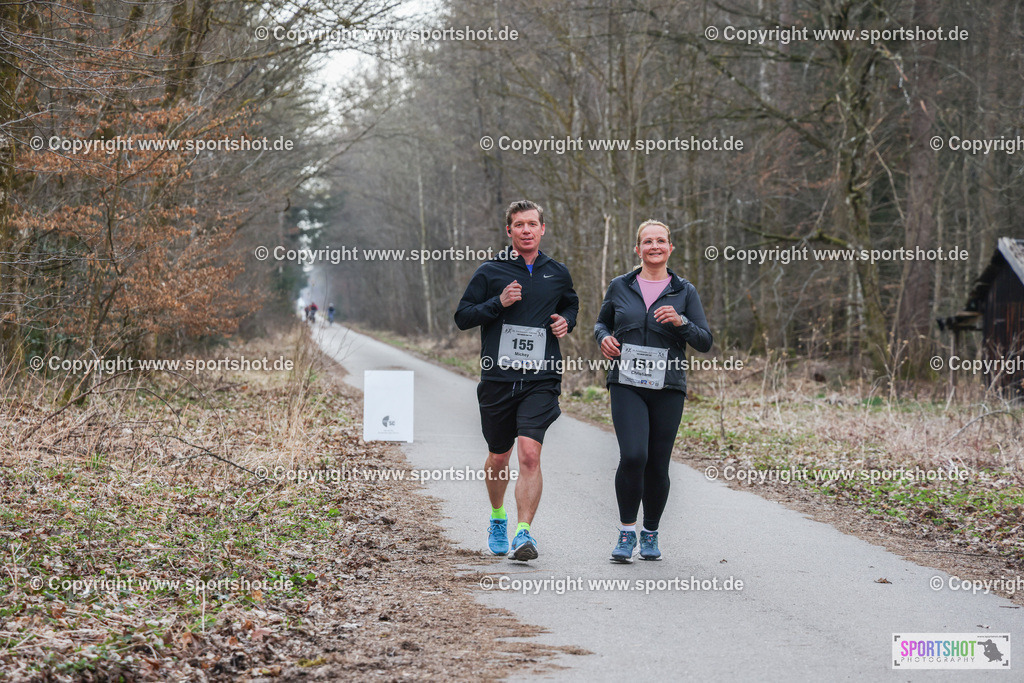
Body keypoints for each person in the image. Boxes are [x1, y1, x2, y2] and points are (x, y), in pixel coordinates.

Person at [455, 200, 579, 561]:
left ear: (542, 229)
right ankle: (498, 517)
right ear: (508, 231)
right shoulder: (490, 271)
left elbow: (571, 305)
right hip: (497, 377)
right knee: (499, 456)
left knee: (529, 454)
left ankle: (524, 533)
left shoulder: (558, 272)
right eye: (519, 225)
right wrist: (498, 302)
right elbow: (463, 316)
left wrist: (566, 322)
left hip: (541, 378)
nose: (526, 230)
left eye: (532, 224)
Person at [594, 220, 712, 563]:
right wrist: (603, 338)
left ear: (670, 248)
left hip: (668, 386)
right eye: (648, 241)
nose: (654, 246)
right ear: (638, 249)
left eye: (661, 241)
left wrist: (682, 322)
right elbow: (602, 323)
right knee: (633, 456)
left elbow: (704, 341)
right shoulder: (620, 286)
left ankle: (650, 533)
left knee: (657, 465)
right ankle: (626, 532)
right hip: (626, 382)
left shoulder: (684, 291)